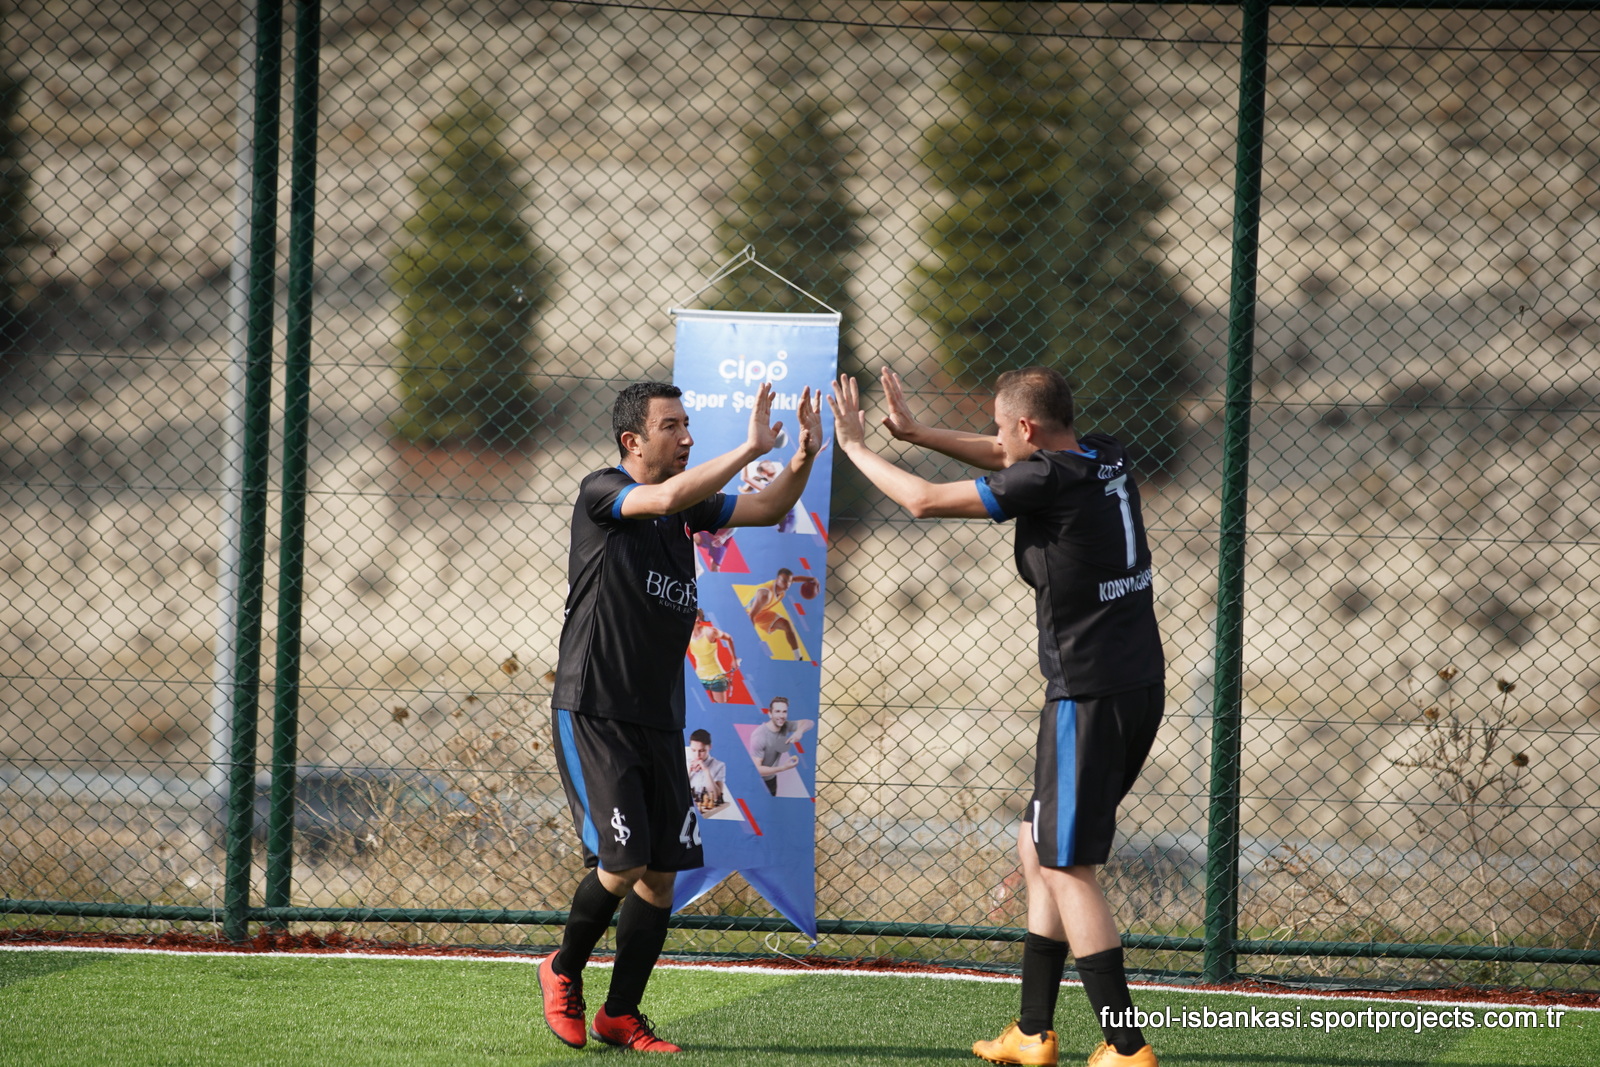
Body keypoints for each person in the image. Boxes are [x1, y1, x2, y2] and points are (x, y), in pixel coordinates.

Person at [829, 367, 1164, 1067]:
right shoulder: (1101, 452)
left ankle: (1126, 1044)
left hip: (1088, 697)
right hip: (1136, 685)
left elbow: (922, 499)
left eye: (1002, 425)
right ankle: (1033, 1031)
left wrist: (856, 447)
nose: (996, 437)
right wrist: (917, 432)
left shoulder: (1045, 478)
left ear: (1029, 427)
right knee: (1037, 846)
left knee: (1067, 866)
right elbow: (1010, 457)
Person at [541, 380, 823, 1054]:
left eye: (688, 424)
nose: (687, 437)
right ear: (632, 441)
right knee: (624, 863)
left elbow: (771, 504)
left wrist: (802, 457)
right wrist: (749, 448)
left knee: (662, 875)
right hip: (597, 710)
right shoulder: (604, 491)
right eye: (672, 426)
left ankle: (620, 1014)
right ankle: (562, 968)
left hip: (662, 719)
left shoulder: (687, 510)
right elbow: (663, 498)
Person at [747, 696, 814, 796]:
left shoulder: (785, 725)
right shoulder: (759, 736)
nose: (782, 715)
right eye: (777, 711)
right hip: (758, 782)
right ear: (770, 714)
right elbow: (757, 770)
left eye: (784, 712)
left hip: (771, 779)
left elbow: (809, 722)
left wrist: (799, 731)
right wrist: (783, 767)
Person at [744, 568, 800, 658]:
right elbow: (751, 616)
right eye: (784, 581)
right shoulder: (765, 594)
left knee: (786, 624)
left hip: (762, 613)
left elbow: (795, 579)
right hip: (747, 614)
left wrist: (812, 579)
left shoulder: (782, 587)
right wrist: (749, 643)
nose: (787, 584)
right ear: (777, 579)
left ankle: (798, 657)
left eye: (789, 581)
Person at [688, 610, 739, 703]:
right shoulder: (687, 635)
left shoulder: (710, 632)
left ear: (697, 618)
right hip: (699, 678)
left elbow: (729, 638)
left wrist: (734, 659)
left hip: (717, 679)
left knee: (721, 708)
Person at [685, 729, 728, 813]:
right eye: (693, 750)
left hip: (707, 812)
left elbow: (716, 797)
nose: (697, 755)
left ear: (710, 747)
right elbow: (677, 792)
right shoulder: (685, 762)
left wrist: (706, 771)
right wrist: (688, 771)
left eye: (701, 751)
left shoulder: (719, 765)